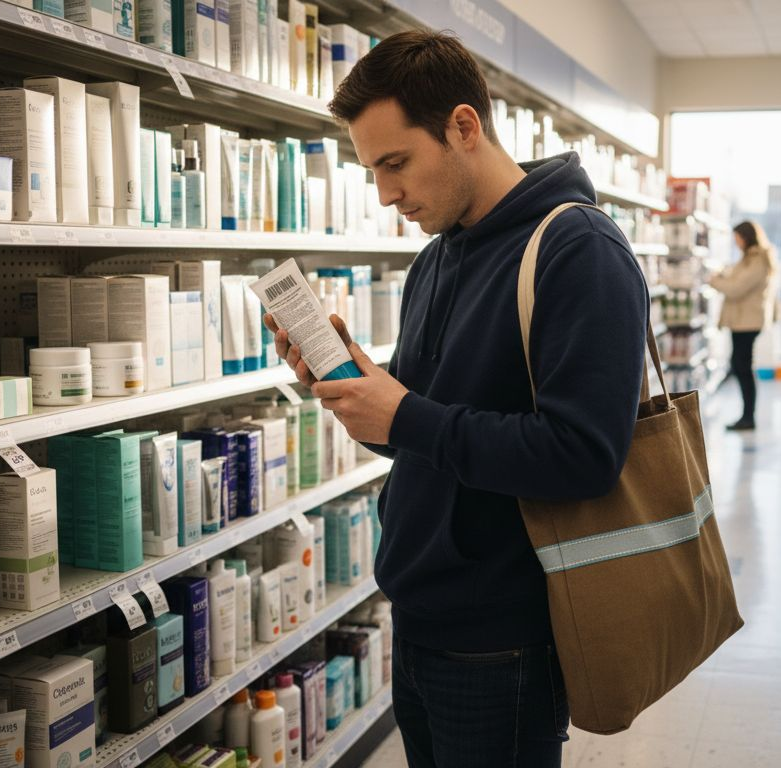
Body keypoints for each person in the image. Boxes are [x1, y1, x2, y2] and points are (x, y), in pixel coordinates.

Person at [265, 30, 648, 768]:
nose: (385, 194)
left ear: (464, 127)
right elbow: (419, 436)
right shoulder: (437, 258)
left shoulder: (581, 252)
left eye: (395, 163)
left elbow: (585, 456)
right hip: (418, 622)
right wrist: (354, 389)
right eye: (371, 170)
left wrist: (406, 413)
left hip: (503, 643)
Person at [710, 221, 776, 431]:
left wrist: (715, 282)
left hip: (748, 322)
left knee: (742, 366)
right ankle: (747, 415)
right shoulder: (749, 258)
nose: (735, 241)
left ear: (746, 237)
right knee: (740, 365)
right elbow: (734, 277)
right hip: (742, 320)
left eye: (737, 237)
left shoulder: (758, 260)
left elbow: (738, 288)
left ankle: (748, 417)